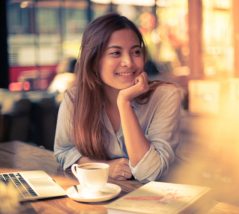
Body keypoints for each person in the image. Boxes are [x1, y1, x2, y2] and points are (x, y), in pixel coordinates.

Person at [54, 13, 182, 183]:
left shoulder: (166, 95)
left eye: (136, 52)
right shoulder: (74, 98)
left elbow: (149, 173)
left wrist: (124, 102)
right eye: (115, 53)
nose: (128, 62)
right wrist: (105, 167)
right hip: (105, 198)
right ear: (94, 60)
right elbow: (64, 151)